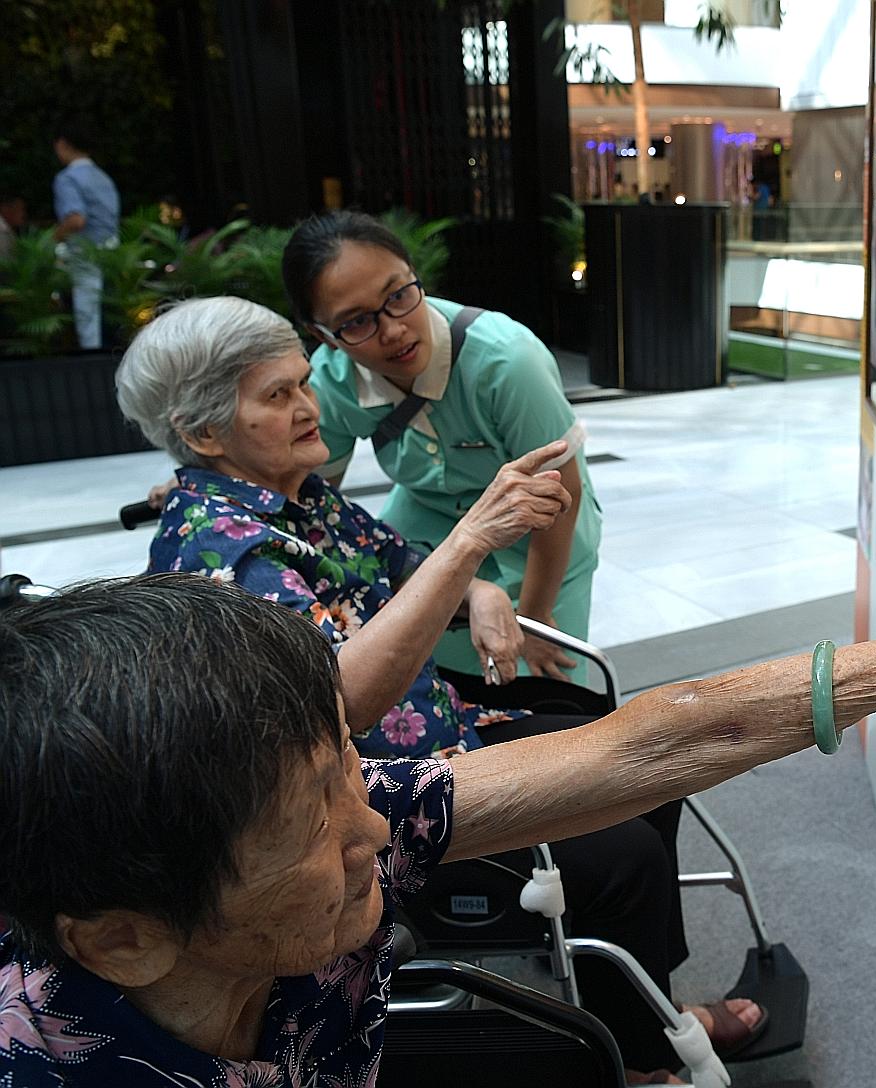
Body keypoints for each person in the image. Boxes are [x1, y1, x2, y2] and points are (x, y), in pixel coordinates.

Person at [0, 499, 876, 1085]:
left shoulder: (308, 838)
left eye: (344, 779)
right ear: (124, 937)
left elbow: (652, 743)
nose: (378, 824)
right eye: (315, 821)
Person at [115, 296, 760, 1076]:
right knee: (624, 856)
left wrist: (481, 590)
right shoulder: (222, 550)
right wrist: (474, 542)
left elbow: (398, 560)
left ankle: (640, 996)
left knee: (644, 761)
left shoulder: (302, 499)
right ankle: (649, 1053)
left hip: (442, 724)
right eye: (277, 396)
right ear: (203, 434)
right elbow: (336, 703)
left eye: (302, 385)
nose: (309, 406)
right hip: (362, 798)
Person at [282, 211, 598, 686]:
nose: (393, 330)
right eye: (356, 321)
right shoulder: (331, 381)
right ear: (321, 334)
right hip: (427, 522)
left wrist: (533, 616)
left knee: (547, 688)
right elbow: (307, 496)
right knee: (430, 678)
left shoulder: (507, 361)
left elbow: (560, 492)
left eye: (398, 295)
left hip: (542, 532)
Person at [51, 123, 120, 350]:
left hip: (85, 253)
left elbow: (76, 219)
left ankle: (90, 365)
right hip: (112, 253)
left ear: (62, 144)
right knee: (110, 317)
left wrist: (51, 239)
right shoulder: (103, 178)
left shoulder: (68, 179)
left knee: (87, 318)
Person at [0, 196, 25, 261]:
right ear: (6, 209)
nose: (23, 214)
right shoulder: (2, 231)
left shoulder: (6, 229)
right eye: (20, 209)